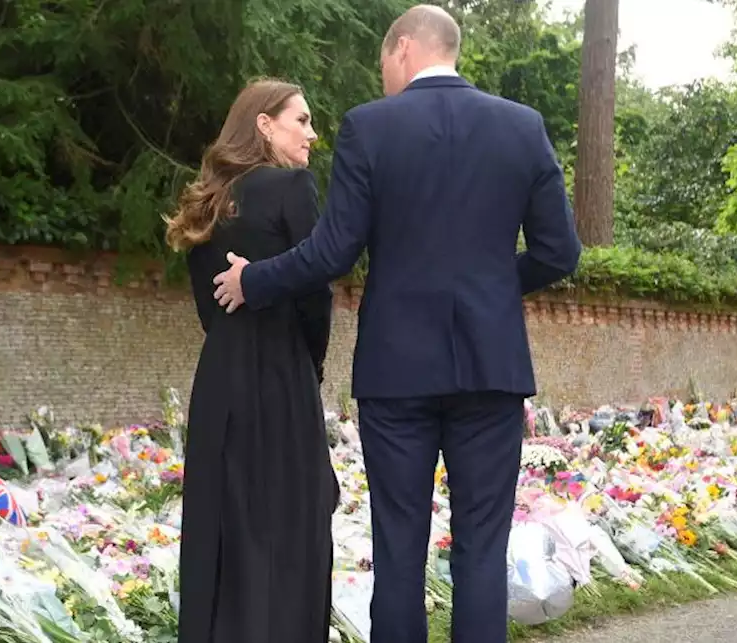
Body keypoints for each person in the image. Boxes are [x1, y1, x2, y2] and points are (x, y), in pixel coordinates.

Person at [211, 6, 582, 643]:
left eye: (383, 61)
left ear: (404, 48)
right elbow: (559, 253)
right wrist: (489, 288)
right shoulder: (522, 128)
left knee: (400, 552)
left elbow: (332, 252)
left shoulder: (371, 127)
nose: (382, 74)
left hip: (396, 371)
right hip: (491, 370)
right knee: (482, 551)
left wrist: (253, 280)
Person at [168, 78, 342, 643]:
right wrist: (310, 363)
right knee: (290, 529)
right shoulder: (293, 188)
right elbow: (316, 290)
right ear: (264, 124)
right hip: (281, 374)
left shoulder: (206, 200)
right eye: (302, 120)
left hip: (219, 376)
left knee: (225, 529)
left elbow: (207, 308)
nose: (312, 134)